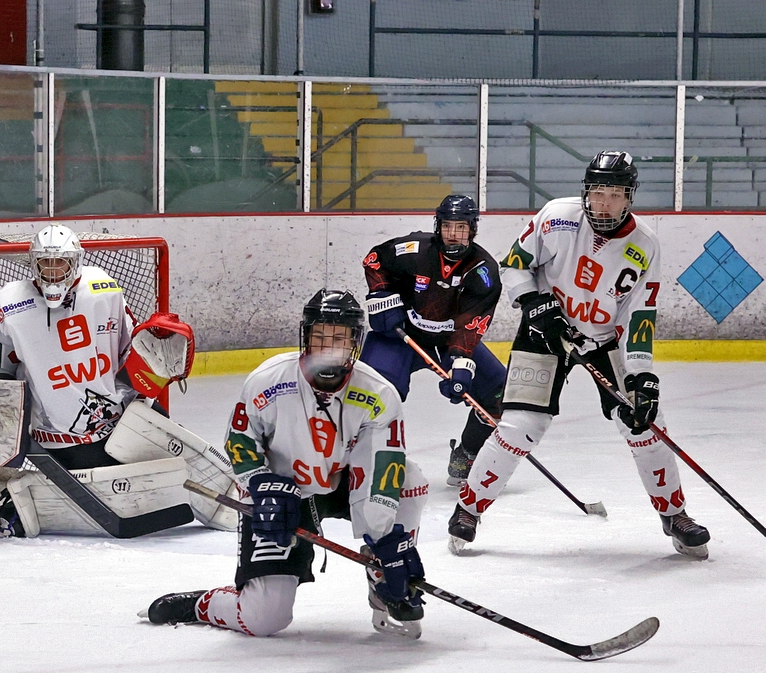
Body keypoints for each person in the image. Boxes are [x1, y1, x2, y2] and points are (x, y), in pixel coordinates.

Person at [447, 151, 711, 558]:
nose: (603, 204)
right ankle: (468, 509)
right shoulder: (557, 216)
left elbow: (639, 314)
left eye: (615, 195)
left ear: (630, 198)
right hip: (543, 331)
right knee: (520, 425)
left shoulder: (645, 244)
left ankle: (674, 515)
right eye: (597, 193)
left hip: (604, 341)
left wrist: (641, 374)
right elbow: (514, 264)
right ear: (586, 191)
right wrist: (534, 302)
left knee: (645, 423)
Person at [146, 289, 431, 639]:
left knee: (410, 480)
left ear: (355, 343)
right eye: (320, 336)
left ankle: (381, 576)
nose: (328, 347)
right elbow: (240, 442)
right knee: (264, 618)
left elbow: (381, 467)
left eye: (339, 338)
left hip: (343, 484)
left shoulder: (379, 394)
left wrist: (385, 542)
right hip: (282, 492)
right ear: (305, 337)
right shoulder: (268, 381)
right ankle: (202, 605)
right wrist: (261, 483)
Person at [0, 224, 233, 532]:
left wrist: (153, 359)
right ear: (34, 263)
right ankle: (19, 505)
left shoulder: (102, 288)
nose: (53, 271)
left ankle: (238, 496)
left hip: (126, 416)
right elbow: (1, 364)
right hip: (62, 436)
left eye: (61, 262)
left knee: (182, 463)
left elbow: (129, 349)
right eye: (45, 262)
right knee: (148, 495)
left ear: (76, 262)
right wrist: (4, 413)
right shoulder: (9, 304)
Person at [360, 194, 505, 485]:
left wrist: (461, 359)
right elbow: (375, 261)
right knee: (369, 393)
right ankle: (359, 461)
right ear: (438, 226)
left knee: (498, 392)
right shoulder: (414, 249)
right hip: (402, 336)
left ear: (472, 230)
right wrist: (381, 294)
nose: (453, 234)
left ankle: (466, 454)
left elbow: (471, 323)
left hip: (449, 340)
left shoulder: (483, 270)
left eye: (461, 227)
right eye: (448, 226)